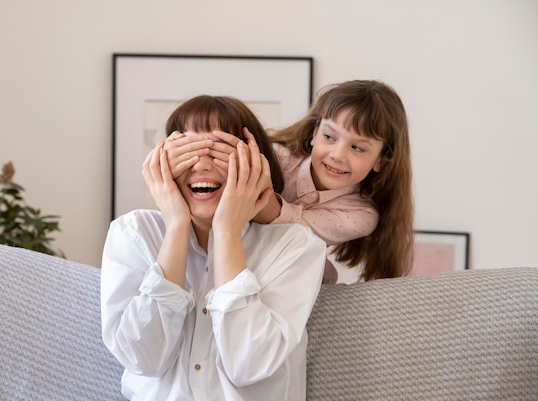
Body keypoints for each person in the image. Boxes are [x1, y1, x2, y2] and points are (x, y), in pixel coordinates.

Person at [101, 95, 327, 401]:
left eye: (219, 151)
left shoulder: (296, 247)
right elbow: (143, 359)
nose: (203, 164)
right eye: (189, 151)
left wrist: (227, 231)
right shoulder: (133, 233)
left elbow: (249, 365)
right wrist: (177, 226)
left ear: (255, 165)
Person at [164, 80, 414, 282]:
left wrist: (254, 177)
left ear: (382, 160)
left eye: (358, 148)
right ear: (314, 134)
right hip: (230, 262)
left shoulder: (360, 215)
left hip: (289, 278)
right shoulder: (278, 156)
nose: (338, 155)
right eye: (329, 136)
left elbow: (290, 228)